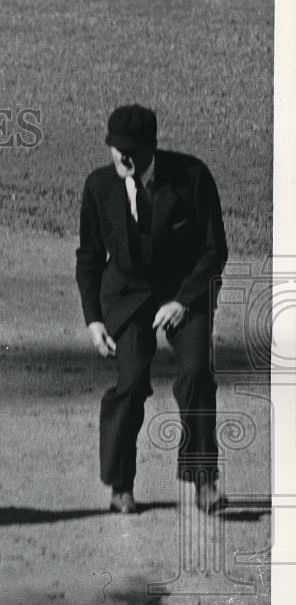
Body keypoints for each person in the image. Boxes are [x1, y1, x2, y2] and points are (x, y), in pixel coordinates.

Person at [75, 104, 229, 515]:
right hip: (127, 294)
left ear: (151, 147)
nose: (123, 157)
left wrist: (183, 301)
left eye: (132, 150)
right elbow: (89, 257)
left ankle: (204, 480)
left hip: (184, 291)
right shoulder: (99, 186)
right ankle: (120, 485)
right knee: (130, 383)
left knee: (196, 374)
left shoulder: (192, 177)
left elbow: (214, 251)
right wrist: (93, 319)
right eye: (115, 149)